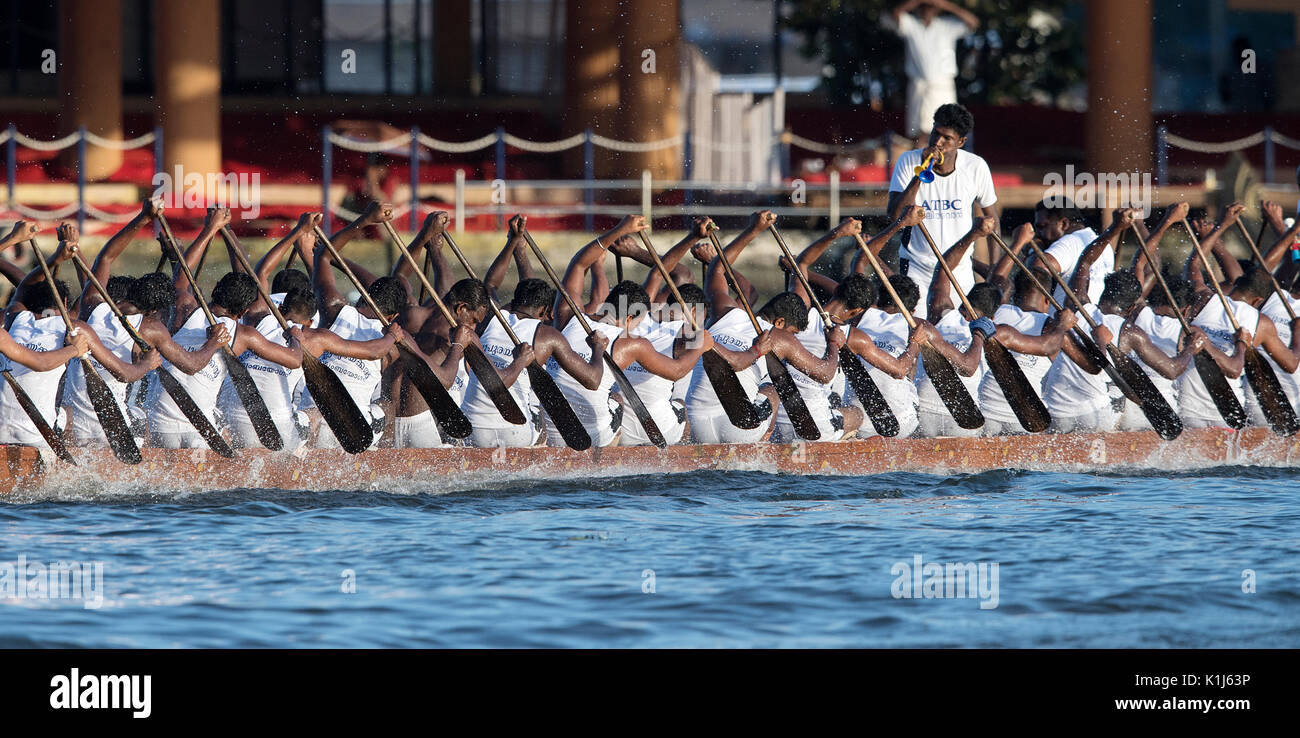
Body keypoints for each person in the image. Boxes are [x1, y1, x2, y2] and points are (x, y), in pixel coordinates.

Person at [887, 102, 999, 318]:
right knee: (917, 334)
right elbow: (893, 216)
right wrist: (920, 174)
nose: (938, 142)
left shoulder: (976, 167)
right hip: (917, 267)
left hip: (960, 271)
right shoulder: (908, 161)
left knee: (962, 334)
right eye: (935, 134)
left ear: (961, 142)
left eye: (946, 138)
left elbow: (992, 219)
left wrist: (994, 268)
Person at [886, 0, 979, 144]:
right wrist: (918, 1)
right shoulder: (911, 25)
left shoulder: (946, 26)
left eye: (930, 7)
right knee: (917, 131)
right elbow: (896, 14)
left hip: (942, 85)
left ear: (936, 9)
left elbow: (973, 22)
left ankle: (943, 163)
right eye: (924, 7)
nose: (927, 10)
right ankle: (920, 162)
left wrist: (944, 4)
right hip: (919, 85)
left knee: (948, 127)